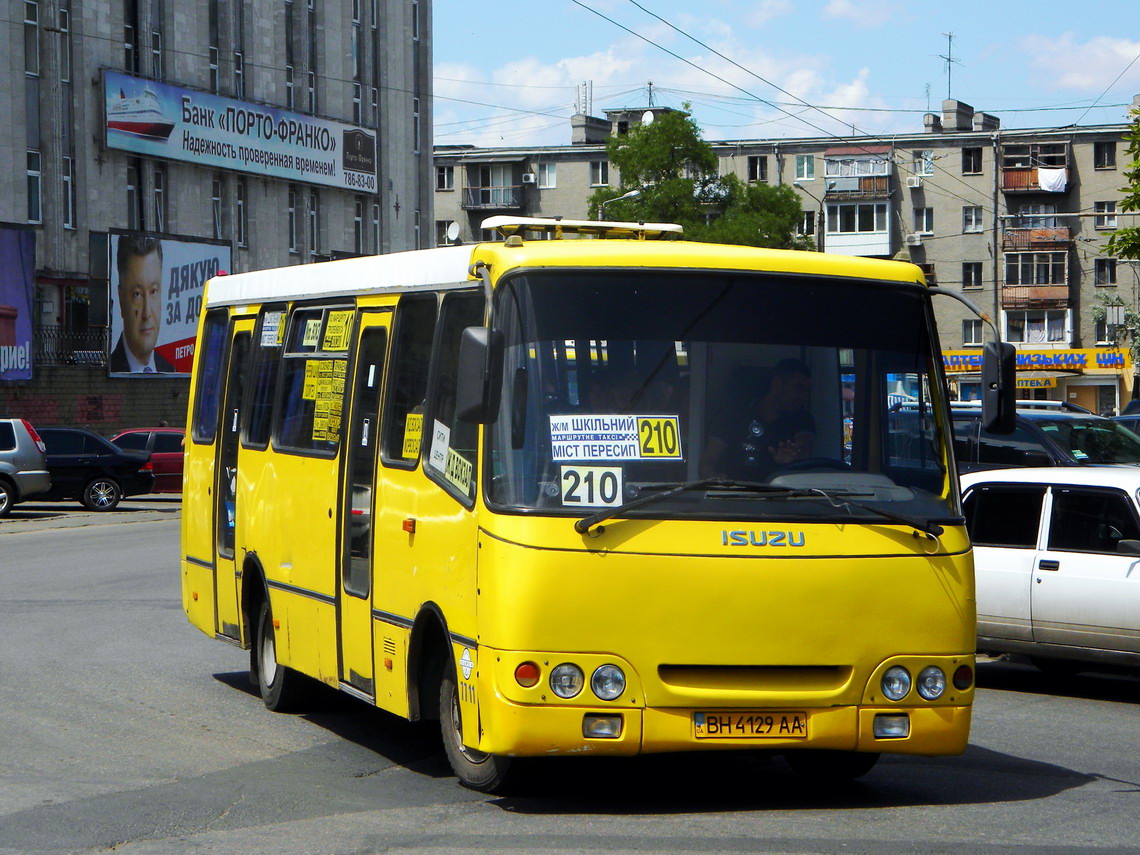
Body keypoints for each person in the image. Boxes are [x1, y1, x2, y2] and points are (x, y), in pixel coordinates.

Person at [701, 358, 816, 480]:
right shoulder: (732, 416)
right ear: (776, 385)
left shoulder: (803, 420)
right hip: (733, 495)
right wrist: (717, 484)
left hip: (782, 496)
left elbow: (804, 449)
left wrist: (793, 460)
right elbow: (707, 464)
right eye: (798, 388)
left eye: (807, 390)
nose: (804, 397)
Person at [110, 235, 174, 373]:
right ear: (121, 299)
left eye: (153, 291)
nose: (147, 313)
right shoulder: (112, 368)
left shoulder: (170, 368)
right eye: (137, 294)